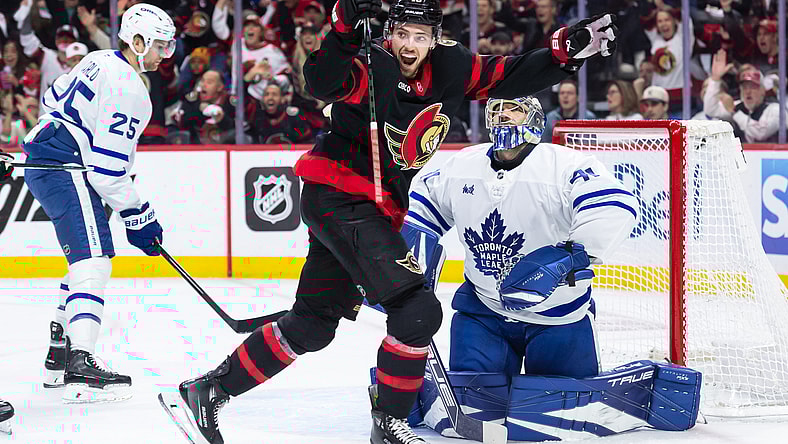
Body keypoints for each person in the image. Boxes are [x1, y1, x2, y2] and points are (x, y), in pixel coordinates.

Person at [167, 1, 619, 443]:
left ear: (435, 38)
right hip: (340, 197)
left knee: (313, 324)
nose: (409, 44)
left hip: (364, 208)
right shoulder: (370, 64)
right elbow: (322, 82)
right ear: (389, 34)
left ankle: (207, 391)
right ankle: (389, 422)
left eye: (419, 37)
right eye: (401, 33)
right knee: (418, 311)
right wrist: (343, 30)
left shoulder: (451, 67)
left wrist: (562, 53)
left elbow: (509, 76)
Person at [399, 96, 701, 440]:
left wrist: (569, 256)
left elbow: (617, 206)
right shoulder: (461, 167)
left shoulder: (565, 166)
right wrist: (409, 254)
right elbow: (422, 204)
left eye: (513, 108)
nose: (502, 115)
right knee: (476, 411)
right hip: (483, 312)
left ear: (535, 118)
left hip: (558, 316)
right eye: (496, 108)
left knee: (560, 422)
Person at [23, 3, 174, 404]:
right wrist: (140, 216)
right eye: (159, 45)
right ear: (137, 42)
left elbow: (54, 95)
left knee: (84, 262)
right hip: (65, 165)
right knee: (94, 262)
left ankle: (59, 356)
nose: (164, 54)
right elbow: (107, 173)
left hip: (51, 155)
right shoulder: (131, 90)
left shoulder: (98, 58)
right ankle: (80, 364)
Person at [704, 49, 782, 143]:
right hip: (742, 155)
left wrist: (734, 112)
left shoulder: (775, 109)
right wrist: (715, 79)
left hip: (772, 156)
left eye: (753, 87)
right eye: (744, 87)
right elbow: (710, 110)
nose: (748, 91)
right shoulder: (737, 106)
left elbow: (760, 133)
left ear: (762, 90)